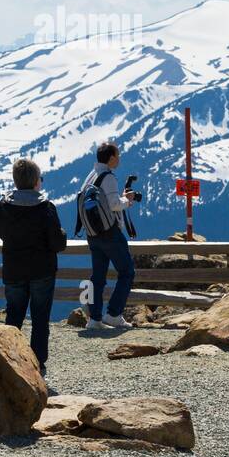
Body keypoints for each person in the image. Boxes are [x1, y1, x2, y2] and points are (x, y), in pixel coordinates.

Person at [0, 158, 66, 375]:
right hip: (42, 270)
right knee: (40, 317)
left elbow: (0, 231)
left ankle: (9, 359)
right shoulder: (46, 207)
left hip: (14, 268)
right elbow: (56, 242)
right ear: (36, 181)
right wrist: (62, 235)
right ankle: (37, 362)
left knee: (14, 315)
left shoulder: (4, 206)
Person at [77, 141, 139, 329]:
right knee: (127, 272)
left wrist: (119, 198)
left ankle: (94, 319)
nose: (119, 159)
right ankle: (114, 314)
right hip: (110, 233)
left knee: (98, 276)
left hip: (93, 234)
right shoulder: (108, 177)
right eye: (117, 155)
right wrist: (127, 201)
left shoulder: (91, 175)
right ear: (111, 158)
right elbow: (113, 204)